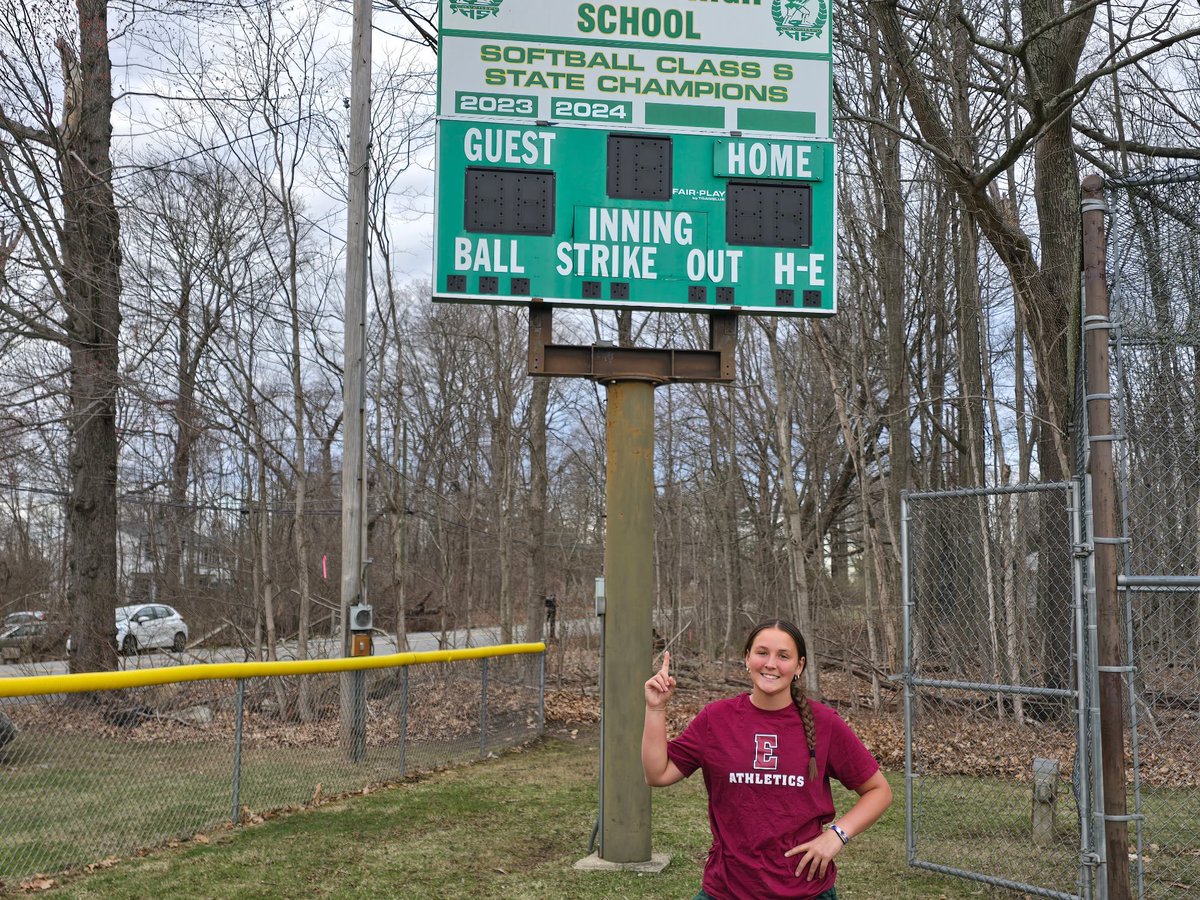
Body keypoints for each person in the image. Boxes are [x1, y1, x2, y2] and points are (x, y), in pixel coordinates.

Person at [642, 619, 892, 900]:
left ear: (799, 666)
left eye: (783, 656)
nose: (771, 663)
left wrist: (836, 835)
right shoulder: (716, 718)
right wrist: (655, 708)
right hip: (727, 888)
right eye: (762, 652)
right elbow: (657, 774)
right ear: (747, 658)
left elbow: (878, 791)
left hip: (805, 889)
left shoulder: (825, 723)